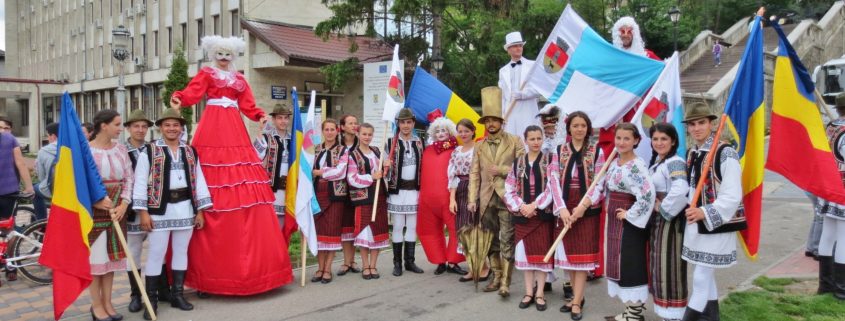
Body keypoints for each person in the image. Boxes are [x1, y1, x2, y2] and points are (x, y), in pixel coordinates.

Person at [170, 35, 292, 295]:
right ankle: (207, 275)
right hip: (213, 124)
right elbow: (193, 92)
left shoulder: (240, 79)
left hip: (234, 126)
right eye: (220, 54)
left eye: (228, 55)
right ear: (213, 54)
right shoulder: (206, 74)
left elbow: (247, 104)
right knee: (210, 178)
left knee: (244, 181)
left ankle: (256, 272)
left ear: (234, 56)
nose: (224, 59)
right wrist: (180, 97)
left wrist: (259, 115)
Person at [132, 108, 212, 320]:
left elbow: (200, 180)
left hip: (185, 208)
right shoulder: (149, 151)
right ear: (160, 127)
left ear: (181, 128)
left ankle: (177, 295)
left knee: (181, 252)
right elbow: (140, 183)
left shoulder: (190, 151)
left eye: (175, 125)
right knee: (156, 254)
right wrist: (143, 213)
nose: (172, 128)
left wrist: (200, 211)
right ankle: (151, 302)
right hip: (159, 210)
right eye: (167, 125)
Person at [579, 123, 655, 321]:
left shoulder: (637, 166)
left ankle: (636, 313)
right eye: (618, 138)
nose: (621, 142)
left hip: (629, 225)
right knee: (618, 263)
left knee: (630, 263)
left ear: (636, 140)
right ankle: (630, 310)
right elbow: (601, 188)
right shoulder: (614, 164)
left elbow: (648, 194)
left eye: (626, 139)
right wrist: (583, 205)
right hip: (614, 222)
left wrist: (630, 214)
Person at [682, 102, 743, 319]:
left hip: (718, 223)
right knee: (705, 275)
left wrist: (705, 212)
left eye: (701, 123)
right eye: (692, 124)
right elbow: (690, 189)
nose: (697, 128)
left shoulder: (725, 153)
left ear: (711, 124)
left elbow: (733, 195)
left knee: (701, 277)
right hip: (696, 225)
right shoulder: (692, 153)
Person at [468, 86, 525, 297]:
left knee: (507, 240)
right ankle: (496, 276)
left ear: (502, 121)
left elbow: (523, 168)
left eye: (494, 120)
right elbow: (474, 173)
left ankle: (506, 283)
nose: (491, 124)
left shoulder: (515, 141)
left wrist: (501, 170)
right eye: (487, 121)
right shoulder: (479, 146)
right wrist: (472, 199)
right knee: (490, 241)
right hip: (485, 199)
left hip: (507, 197)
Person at [503, 125, 561, 312]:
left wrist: (534, 205)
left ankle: (540, 294)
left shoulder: (550, 160)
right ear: (525, 140)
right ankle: (528, 292)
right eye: (532, 139)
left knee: (542, 258)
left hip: (541, 215)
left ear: (542, 139)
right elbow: (509, 188)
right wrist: (522, 206)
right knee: (526, 258)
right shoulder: (518, 162)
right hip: (523, 215)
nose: (536, 142)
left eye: (539, 138)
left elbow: (552, 188)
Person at [554, 111, 605, 320]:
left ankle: (576, 302)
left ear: (588, 127)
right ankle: (577, 295)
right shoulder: (559, 151)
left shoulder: (597, 151)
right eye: (575, 125)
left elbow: (600, 181)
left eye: (583, 125)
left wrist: (584, 205)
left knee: (582, 258)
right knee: (569, 257)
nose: (579, 129)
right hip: (565, 206)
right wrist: (562, 208)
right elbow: (553, 181)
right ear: (569, 128)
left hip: (587, 208)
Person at [121, 109, 170, 313]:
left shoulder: (155, 148)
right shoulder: (121, 151)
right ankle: (136, 294)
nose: (140, 130)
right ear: (128, 128)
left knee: (159, 249)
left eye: (144, 126)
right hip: (133, 207)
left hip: (158, 207)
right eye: (136, 126)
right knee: (133, 251)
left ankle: (161, 289)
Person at [87, 109, 134, 321]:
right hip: (94, 211)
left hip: (117, 210)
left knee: (111, 260)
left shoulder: (121, 149)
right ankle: (96, 305)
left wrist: (124, 203)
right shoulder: (85, 152)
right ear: (103, 126)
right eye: (117, 124)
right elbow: (78, 183)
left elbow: (129, 179)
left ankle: (107, 302)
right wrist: (95, 201)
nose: (120, 128)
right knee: (96, 262)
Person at [646, 123, 689, 321]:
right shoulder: (659, 162)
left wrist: (662, 209)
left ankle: (674, 315)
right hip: (660, 221)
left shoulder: (675, 162)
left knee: (669, 264)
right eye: (655, 139)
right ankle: (667, 315)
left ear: (673, 141)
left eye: (664, 139)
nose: (659, 143)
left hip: (670, 222)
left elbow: (681, 188)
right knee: (659, 264)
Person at [418, 111, 467, 277]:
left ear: (450, 132)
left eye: (443, 131)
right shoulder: (427, 151)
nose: (440, 134)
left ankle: (453, 261)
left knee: (456, 229)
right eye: (437, 131)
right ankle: (439, 261)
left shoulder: (456, 151)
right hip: (428, 200)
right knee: (428, 230)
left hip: (449, 198)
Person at [383, 108, 426, 276]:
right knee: (399, 226)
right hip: (397, 191)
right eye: (402, 122)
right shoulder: (389, 143)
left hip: (415, 190)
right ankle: (397, 263)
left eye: (409, 122)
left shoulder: (420, 142)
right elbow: (383, 169)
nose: (406, 125)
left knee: (412, 227)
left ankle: (410, 261)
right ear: (398, 124)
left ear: (413, 123)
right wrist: (384, 165)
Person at [347, 123, 389, 280]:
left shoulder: (377, 151)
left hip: (379, 197)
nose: (367, 137)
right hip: (363, 198)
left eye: (370, 134)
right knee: (364, 232)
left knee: (377, 231)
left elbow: (383, 175)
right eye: (364, 134)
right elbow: (351, 179)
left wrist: (386, 168)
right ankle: (365, 266)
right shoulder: (353, 155)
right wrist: (371, 177)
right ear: (358, 134)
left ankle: (373, 265)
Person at [449, 119, 490, 282]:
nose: (463, 134)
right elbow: (452, 176)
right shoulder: (456, 151)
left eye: (466, 131)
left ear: (473, 131)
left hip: (475, 190)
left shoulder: (479, 149)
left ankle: (484, 267)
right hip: (459, 190)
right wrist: (452, 199)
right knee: (463, 231)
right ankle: (472, 268)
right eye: (460, 131)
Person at [311, 119, 349, 284]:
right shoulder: (315, 149)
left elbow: (340, 172)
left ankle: (328, 269)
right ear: (322, 131)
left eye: (332, 129)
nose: (329, 132)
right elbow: (307, 169)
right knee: (319, 232)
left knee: (332, 230)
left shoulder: (343, 150)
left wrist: (319, 172)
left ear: (337, 131)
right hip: (317, 192)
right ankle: (319, 268)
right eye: (326, 129)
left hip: (335, 194)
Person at [0, 116, 34, 283]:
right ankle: (11, 266)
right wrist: (29, 186)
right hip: (8, 191)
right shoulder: (10, 138)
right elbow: (20, 163)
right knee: (9, 229)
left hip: (6, 191)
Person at [818, 93, 845, 300]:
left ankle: (825, 285)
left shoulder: (830, 126)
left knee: (828, 234)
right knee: (843, 237)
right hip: (842, 189)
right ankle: (841, 289)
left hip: (828, 187)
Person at [253, 104, 292, 228]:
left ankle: (283, 247)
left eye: (286, 118)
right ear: (274, 120)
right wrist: (260, 130)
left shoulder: (294, 139)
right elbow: (256, 155)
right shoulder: (267, 137)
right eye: (280, 118)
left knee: (285, 225)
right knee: (270, 225)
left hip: (290, 189)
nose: (283, 121)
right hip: (272, 188)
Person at [498, 31, 541, 138]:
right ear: (508, 50)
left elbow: (539, 89)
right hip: (510, 113)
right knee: (511, 143)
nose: (519, 48)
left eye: (520, 45)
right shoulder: (503, 71)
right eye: (515, 46)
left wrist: (523, 94)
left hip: (528, 109)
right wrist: (501, 116)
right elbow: (502, 96)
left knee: (529, 139)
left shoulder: (533, 65)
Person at [337, 114, 362, 276]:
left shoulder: (361, 145)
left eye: (355, 123)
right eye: (350, 123)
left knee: (355, 226)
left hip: (359, 190)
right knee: (345, 227)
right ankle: (346, 262)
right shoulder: (337, 146)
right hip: (341, 191)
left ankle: (353, 260)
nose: (354, 125)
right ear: (343, 126)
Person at [34, 122, 60, 221]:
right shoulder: (75, 147)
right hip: (75, 191)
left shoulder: (44, 151)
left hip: (54, 190)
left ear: (53, 136)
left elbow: (41, 177)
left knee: (35, 190)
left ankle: (41, 222)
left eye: (48, 135)